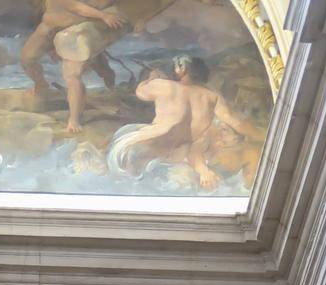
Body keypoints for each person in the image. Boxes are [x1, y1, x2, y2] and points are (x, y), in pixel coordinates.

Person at [109, 53, 262, 189]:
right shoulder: (212, 97)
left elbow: (141, 92)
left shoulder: (165, 86)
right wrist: (261, 137)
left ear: (181, 69)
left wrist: (152, 78)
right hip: (176, 155)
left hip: (144, 143)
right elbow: (235, 122)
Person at [20, 0, 127, 134]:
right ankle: (41, 84)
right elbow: (73, 6)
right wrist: (103, 15)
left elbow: (81, 7)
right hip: (49, 27)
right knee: (27, 58)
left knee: (75, 75)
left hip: (76, 30)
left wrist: (104, 15)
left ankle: (75, 119)